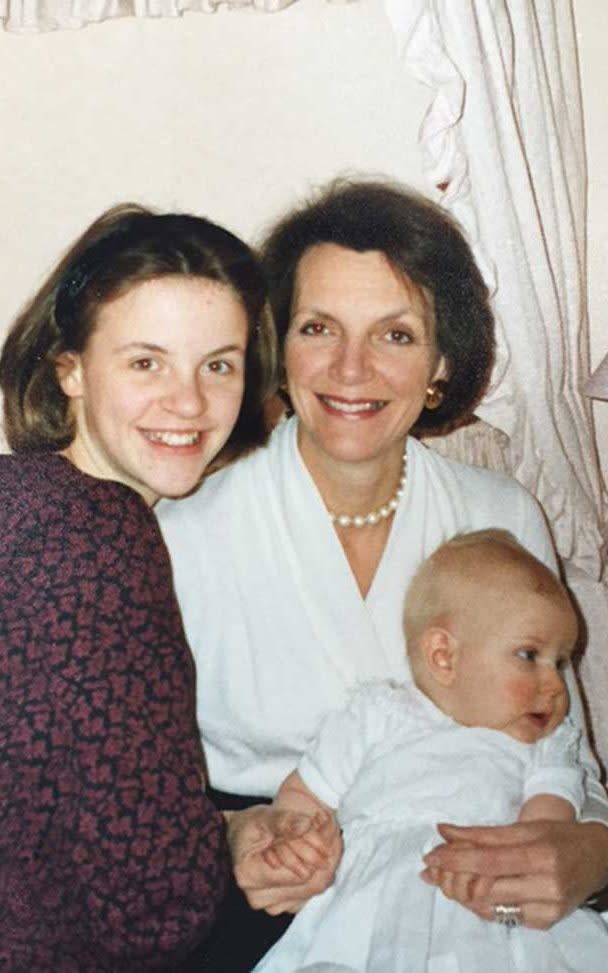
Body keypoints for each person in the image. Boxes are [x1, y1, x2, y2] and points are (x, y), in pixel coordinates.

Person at [157, 179, 608, 963]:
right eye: (318, 327)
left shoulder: (500, 515)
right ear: (276, 345)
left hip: (475, 899)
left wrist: (593, 852)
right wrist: (231, 836)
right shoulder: (183, 527)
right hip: (272, 902)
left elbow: (560, 743)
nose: (351, 367)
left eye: (395, 335)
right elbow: (130, 793)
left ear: (441, 363)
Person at [0, 202, 285, 971]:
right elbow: (156, 907)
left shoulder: (22, 497)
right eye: (146, 361)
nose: (189, 402)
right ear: (70, 370)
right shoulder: (99, 540)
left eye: (217, 364)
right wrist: (227, 836)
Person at [252, 530, 608, 972]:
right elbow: (304, 795)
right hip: (368, 905)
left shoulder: (545, 744)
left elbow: (544, 831)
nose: (556, 686)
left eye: (561, 661)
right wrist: (297, 842)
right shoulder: (379, 713)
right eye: (528, 655)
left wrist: (510, 865)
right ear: (444, 656)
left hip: (492, 906)